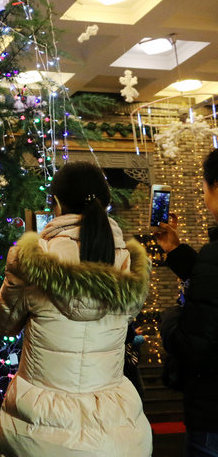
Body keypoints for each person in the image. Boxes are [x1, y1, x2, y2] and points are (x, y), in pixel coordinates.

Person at [0, 161, 152, 457]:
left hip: (37, 430)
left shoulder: (32, 261)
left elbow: (0, 324)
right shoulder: (129, 266)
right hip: (115, 429)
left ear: (57, 204)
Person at [155, 148, 218, 456]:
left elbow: (193, 345)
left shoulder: (214, 254)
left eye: (204, 188)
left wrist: (169, 318)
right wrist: (175, 249)